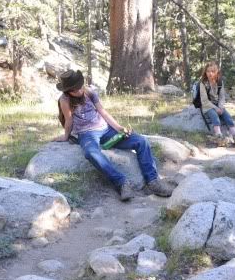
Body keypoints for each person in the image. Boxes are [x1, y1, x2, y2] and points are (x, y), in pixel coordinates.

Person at [54, 69, 173, 201]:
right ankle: (122, 183)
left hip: (106, 129)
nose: (79, 91)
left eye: (80, 87)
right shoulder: (64, 100)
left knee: (141, 141)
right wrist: (66, 136)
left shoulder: (89, 92)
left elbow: (103, 112)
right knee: (90, 153)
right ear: (68, 91)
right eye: (75, 90)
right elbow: (69, 120)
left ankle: (153, 181)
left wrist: (119, 128)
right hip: (86, 134)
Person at [198, 62, 235, 147]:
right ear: (205, 72)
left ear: (216, 72)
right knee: (215, 116)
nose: (210, 73)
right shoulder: (203, 83)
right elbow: (204, 100)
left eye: (213, 71)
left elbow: (222, 96)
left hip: (217, 104)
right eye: (208, 71)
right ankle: (219, 136)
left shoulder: (219, 82)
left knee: (227, 116)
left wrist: (220, 106)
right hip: (207, 105)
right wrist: (216, 108)